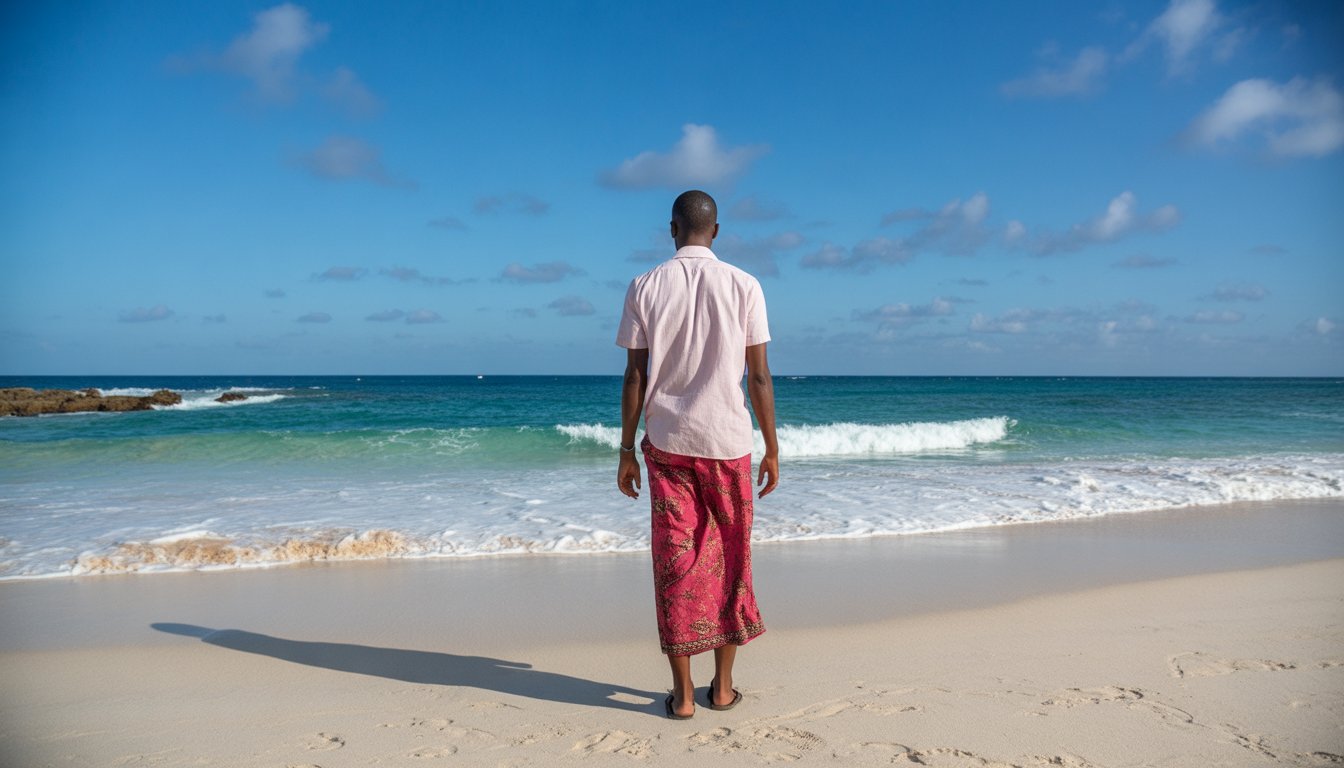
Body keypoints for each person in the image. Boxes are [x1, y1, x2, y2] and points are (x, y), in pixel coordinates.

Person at [615, 189, 779, 720]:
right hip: (728, 445)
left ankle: (683, 697)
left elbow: (635, 375)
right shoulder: (745, 285)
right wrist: (772, 447)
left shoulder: (644, 286)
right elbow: (757, 376)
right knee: (732, 561)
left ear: (671, 229)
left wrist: (624, 450)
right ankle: (723, 689)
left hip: (667, 447)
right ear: (717, 231)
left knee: (677, 567)